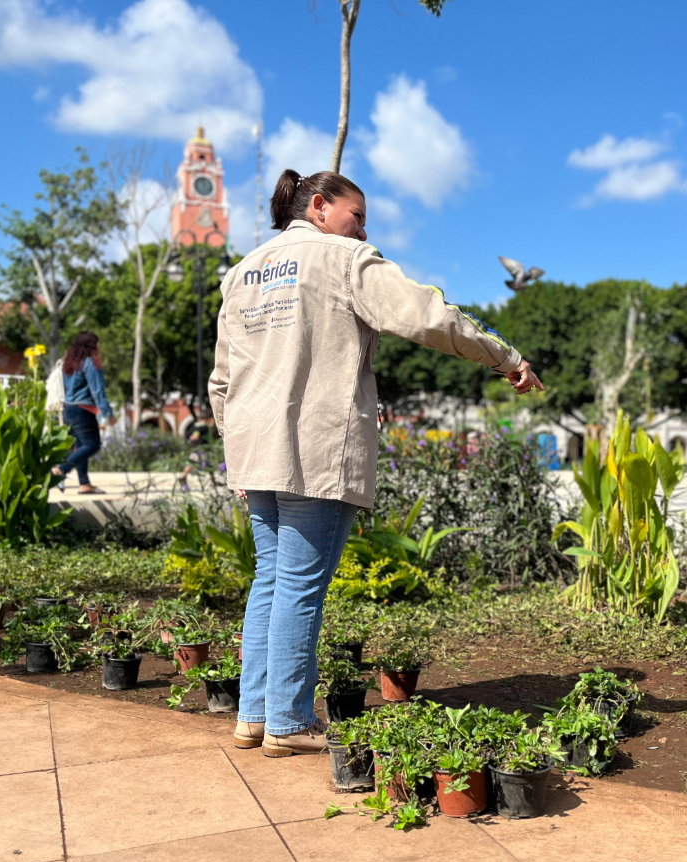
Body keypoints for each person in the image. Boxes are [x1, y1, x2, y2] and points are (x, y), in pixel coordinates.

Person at [210, 168, 543, 758]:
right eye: (356, 215)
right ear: (317, 206)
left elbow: (221, 382)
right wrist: (505, 355)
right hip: (314, 447)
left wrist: (235, 448)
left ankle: (254, 715)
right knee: (299, 586)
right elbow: (426, 314)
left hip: (253, 451)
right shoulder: (343, 261)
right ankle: (289, 719)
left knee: (269, 581)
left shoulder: (240, 276)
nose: (363, 229)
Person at [53, 331, 114, 495]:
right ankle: (61, 469)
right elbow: (98, 390)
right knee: (92, 445)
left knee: (80, 446)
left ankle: (84, 484)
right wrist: (108, 413)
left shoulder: (70, 362)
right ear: (92, 345)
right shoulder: (90, 363)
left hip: (68, 409)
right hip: (82, 411)